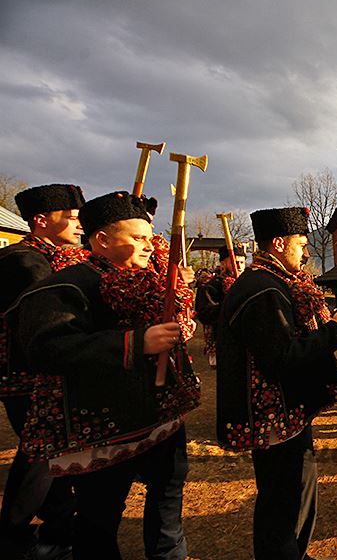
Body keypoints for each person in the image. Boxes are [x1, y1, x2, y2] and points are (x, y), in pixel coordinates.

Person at [11, 191, 201, 559]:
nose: (150, 247)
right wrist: (134, 343)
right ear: (102, 239)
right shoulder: (63, 287)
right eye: (139, 238)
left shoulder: (153, 282)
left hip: (162, 420)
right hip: (104, 431)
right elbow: (47, 349)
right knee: (99, 519)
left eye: (150, 237)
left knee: (167, 502)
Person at [216, 206, 337, 560]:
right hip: (273, 419)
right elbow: (282, 357)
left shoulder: (273, 282)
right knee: (281, 500)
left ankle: (294, 550)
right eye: (301, 243)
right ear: (278, 244)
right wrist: (335, 329)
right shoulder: (262, 289)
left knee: (298, 492)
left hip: (288, 414)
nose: (307, 252)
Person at [0, 184, 85, 559]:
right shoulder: (22, 261)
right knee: (40, 456)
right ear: (40, 220)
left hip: (50, 374)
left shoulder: (57, 256)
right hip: (27, 376)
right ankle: (12, 538)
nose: (79, 225)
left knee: (50, 455)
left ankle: (58, 530)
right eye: (72, 217)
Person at [194, 243, 246, 368]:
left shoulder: (247, 284)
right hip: (221, 341)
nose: (239, 266)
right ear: (223, 264)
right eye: (234, 262)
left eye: (242, 262)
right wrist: (230, 305)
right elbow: (204, 313)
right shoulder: (210, 286)